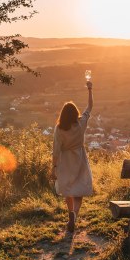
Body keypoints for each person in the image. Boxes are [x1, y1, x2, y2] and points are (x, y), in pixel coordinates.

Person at [51, 80, 93, 233]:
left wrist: (53, 168)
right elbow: (90, 107)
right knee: (79, 189)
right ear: (76, 113)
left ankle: (71, 213)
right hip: (80, 158)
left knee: (68, 189)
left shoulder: (59, 129)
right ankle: (75, 214)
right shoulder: (81, 123)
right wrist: (90, 89)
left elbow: (56, 150)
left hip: (65, 161)